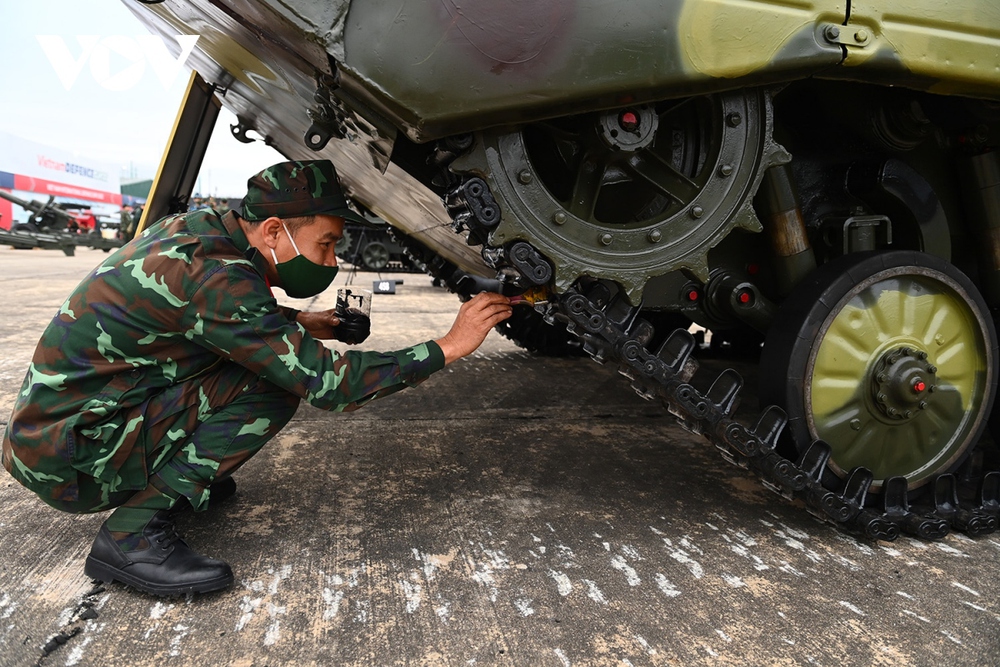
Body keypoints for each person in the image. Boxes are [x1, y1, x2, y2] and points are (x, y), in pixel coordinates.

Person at [2, 160, 512, 597]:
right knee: (272, 385)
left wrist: (303, 320)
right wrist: (449, 345)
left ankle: (174, 480)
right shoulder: (217, 275)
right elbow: (331, 386)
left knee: (258, 365)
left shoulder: (202, 231)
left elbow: (205, 320)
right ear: (274, 231)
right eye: (327, 244)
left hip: (61, 432)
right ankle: (131, 535)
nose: (332, 261)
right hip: (76, 459)